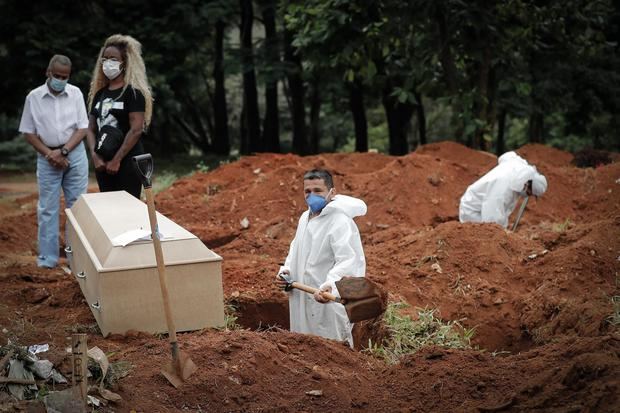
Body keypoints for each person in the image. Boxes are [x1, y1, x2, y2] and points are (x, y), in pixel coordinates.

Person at [275, 169, 367, 347]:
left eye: (318, 191)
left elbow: (348, 261)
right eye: (307, 191)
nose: (312, 196)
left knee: (331, 352)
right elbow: (295, 250)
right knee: (302, 350)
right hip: (302, 299)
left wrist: (331, 286)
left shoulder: (340, 221)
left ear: (332, 193)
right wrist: (286, 272)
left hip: (327, 303)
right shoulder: (305, 217)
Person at [18, 55, 89, 268]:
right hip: (46, 155)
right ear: (48, 73)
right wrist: (51, 154)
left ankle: (76, 259)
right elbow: (28, 132)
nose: (60, 79)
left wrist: (64, 151)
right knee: (47, 208)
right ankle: (47, 260)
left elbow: (83, 128)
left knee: (77, 207)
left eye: (64, 76)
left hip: (74, 154)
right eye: (56, 75)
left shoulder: (75, 94)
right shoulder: (34, 97)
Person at [86, 34, 153, 199]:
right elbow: (90, 128)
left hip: (127, 162)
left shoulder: (133, 93)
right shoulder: (99, 94)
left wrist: (117, 160)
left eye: (114, 59)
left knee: (128, 211)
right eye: (105, 59)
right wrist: (95, 156)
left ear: (125, 62)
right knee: (109, 210)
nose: (108, 63)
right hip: (103, 163)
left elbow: (136, 130)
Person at [459, 151, 548, 228]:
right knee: (484, 238)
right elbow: (491, 219)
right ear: (527, 184)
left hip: (484, 206)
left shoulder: (519, 169)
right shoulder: (502, 188)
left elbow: (508, 156)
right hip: (473, 211)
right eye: (529, 193)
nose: (527, 195)